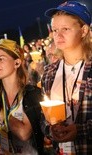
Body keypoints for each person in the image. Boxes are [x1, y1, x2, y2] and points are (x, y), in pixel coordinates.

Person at [41, 1, 92, 154]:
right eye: (55, 30)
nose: (58, 35)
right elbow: (42, 118)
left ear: (83, 31)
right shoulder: (49, 72)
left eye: (66, 29)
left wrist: (80, 130)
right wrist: (51, 130)